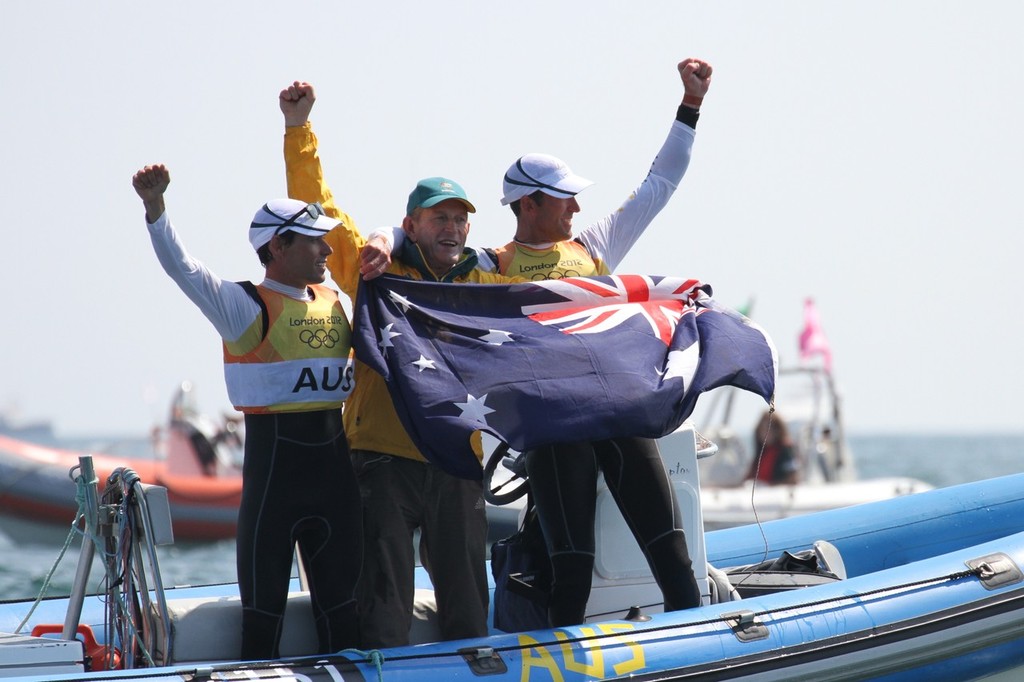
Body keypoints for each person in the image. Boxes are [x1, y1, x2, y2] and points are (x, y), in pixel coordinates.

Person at [282, 54, 711, 628]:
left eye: (460, 218)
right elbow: (361, 227)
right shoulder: (472, 270)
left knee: (665, 554)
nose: (577, 205)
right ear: (527, 204)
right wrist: (374, 223)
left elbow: (659, 186)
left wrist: (690, 106)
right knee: (563, 573)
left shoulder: (559, 256)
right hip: (493, 445)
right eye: (564, 196)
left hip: (569, 434)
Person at [279, 82, 521, 648]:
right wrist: (298, 128)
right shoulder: (373, 272)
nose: (453, 227)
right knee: (382, 604)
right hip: (381, 463)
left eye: (461, 218)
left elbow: (549, 309)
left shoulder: (486, 283)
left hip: (458, 462)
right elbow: (321, 207)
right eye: (439, 217)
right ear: (410, 225)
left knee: (467, 600)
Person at [132, 165, 362, 659]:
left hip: (337, 486)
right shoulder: (244, 306)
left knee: (345, 622)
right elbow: (184, 269)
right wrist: (156, 211)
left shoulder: (335, 299)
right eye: (314, 241)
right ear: (277, 247)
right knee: (262, 628)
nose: (326, 250)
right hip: (273, 489)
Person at [747, 410, 800, 485]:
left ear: (778, 430)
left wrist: (770, 485)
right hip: (760, 492)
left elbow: (793, 478)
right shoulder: (761, 452)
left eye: (769, 428)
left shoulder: (786, 450)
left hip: (777, 493)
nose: (766, 433)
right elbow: (750, 476)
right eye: (762, 429)